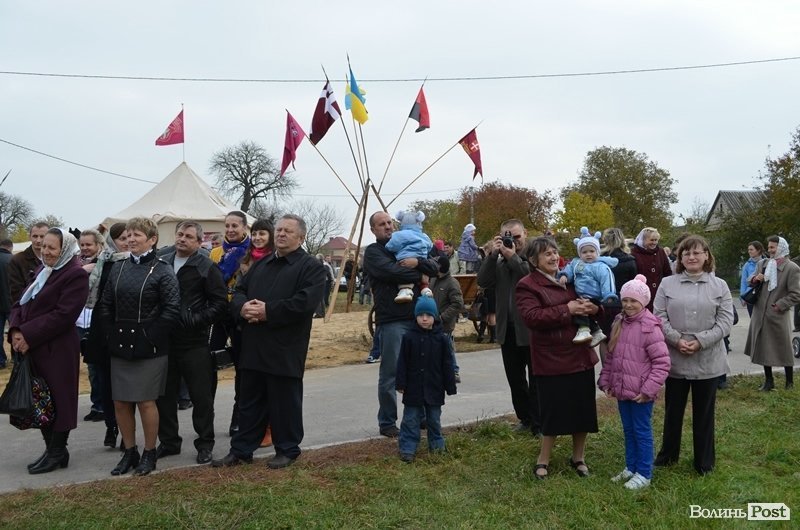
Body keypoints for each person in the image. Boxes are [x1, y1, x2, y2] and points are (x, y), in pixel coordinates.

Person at [212, 214, 325, 470]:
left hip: (285, 347)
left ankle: (287, 449)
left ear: (301, 237)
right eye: (279, 230)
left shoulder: (311, 267)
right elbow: (239, 291)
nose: (281, 234)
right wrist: (242, 308)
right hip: (253, 344)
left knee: (284, 402)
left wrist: (268, 311)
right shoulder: (262, 264)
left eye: (287, 231)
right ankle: (241, 450)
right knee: (249, 402)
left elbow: (305, 303)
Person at [98, 217, 181, 476]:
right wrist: (110, 334)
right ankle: (129, 451)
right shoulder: (118, 268)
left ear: (152, 239)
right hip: (120, 343)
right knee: (120, 402)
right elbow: (105, 304)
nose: (131, 239)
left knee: (146, 402)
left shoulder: (163, 270)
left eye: (137, 235)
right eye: (128, 235)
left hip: (149, 347)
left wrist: (149, 337)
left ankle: (149, 452)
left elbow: (171, 309)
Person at [516, 236, 600, 479]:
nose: (554, 257)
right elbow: (532, 317)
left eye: (555, 252)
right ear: (534, 260)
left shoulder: (572, 277)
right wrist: (567, 310)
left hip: (580, 355)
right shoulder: (527, 285)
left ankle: (578, 457)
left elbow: (595, 299)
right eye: (547, 254)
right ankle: (543, 459)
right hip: (551, 359)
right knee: (552, 413)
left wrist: (595, 308)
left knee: (582, 411)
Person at [8, 228, 88, 474]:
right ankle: (53, 450)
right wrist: (16, 330)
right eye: (44, 246)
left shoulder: (75, 275)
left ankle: (57, 451)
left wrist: (28, 334)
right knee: (41, 399)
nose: (46, 251)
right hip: (35, 347)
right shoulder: (43, 271)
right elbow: (21, 303)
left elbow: (63, 315)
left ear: (65, 249)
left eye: (52, 248)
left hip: (57, 350)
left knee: (59, 400)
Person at [653, 235, 733, 475]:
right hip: (675, 358)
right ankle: (668, 456)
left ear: (706, 255)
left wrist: (700, 341)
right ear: (680, 258)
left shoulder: (720, 286)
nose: (691, 257)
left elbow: (725, 321)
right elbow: (658, 317)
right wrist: (676, 340)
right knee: (673, 411)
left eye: (697, 252)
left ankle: (704, 462)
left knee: (704, 414)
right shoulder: (667, 284)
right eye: (686, 253)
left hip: (708, 359)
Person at [156, 221, 227, 465]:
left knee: (201, 396)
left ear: (198, 242)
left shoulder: (206, 267)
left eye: (188, 236)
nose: (182, 239)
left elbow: (219, 303)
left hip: (194, 341)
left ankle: (205, 443)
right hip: (165, 340)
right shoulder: (162, 261)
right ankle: (169, 442)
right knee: (164, 396)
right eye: (180, 234)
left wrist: (197, 320)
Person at [362, 211, 439, 437]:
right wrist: (419, 273)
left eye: (389, 222)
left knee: (419, 370)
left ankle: (420, 417)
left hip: (416, 317)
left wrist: (418, 262)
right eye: (381, 224)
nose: (387, 226)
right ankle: (387, 421)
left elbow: (434, 267)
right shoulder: (374, 252)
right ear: (373, 230)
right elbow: (391, 272)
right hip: (392, 320)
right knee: (390, 374)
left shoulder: (410, 242)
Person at [598, 274, 670, 490]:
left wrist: (648, 390)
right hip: (622, 389)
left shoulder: (650, 327)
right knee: (628, 430)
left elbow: (662, 363)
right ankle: (631, 467)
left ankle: (644, 473)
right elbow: (611, 356)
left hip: (641, 393)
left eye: (634, 301)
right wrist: (606, 380)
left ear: (644, 302)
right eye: (625, 300)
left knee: (641, 431)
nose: (629, 305)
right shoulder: (619, 323)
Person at [477, 219, 540, 435]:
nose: (513, 241)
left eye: (517, 236)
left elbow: (530, 277)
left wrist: (512, 256)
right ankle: (525, 418)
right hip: (507, 328)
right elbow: (483, 281)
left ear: (525, 234)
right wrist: (492, 256)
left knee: (536, 378)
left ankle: (539, 423)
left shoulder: (534, 256)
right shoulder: (500, 262)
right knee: (515, 379)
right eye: (507, 237)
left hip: (530, 328)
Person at [83, 222, 130, 449]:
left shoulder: (136, 263)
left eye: (130, 237)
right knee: (106, 384)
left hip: (127, 329)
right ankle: (111, 426)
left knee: (126, 386)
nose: (127, 242)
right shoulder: (102, 262)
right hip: (102, 329)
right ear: (112, 240)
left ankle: (127, 433)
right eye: (122, 238)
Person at [396, 295, 457, 462]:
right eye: (421, 315)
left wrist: (450, 385)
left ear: (434, 317)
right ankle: (407, 447)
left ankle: (436, 445)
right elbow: (402, 362)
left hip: (434, 387)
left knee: (434, 419)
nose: (424, 319)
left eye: (428, 315)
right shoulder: (408, 337)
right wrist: (401, 383)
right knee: (410, 419)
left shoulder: (442, 339)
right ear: (415, 316)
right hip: (413, 388)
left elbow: (447, 363)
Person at [209, 210, 250, 436]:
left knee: (242, 367)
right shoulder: (215, 253)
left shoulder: (251, 252)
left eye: (235, 226)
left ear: (244, 227)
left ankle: (238, 418)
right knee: (209, 363)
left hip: (240, 314)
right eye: (227, 226)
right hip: (218, 314)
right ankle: (207, 417)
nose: (231, 230)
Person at [743, 235, 800, 391]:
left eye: (772, 247)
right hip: (760, 312)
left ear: (781, 248)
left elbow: (796, 294)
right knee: (763, 346)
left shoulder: (792, 268)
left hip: (778, 314)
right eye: (768, 247)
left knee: (784, 348)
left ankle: (789, 383)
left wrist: (779, 305)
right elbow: (749, 280)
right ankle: (769, 381)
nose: (769, 250)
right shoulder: (763, 263)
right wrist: (755, 278)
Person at [558, 227, 619, 345]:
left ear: (597, 252)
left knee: (581, 310)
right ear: (579, 253)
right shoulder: (576, 263)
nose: (588, 254)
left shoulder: (600, 266)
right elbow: (569, 269)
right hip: (581, 294)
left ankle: (583, 330)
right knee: (583, 310)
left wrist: (608, 294)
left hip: (594, 295)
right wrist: (564, 275)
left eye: (591, 251)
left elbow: (606, 280)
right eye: (584, 252)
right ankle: (597, 332)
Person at [77, 229, 106, 423]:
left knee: (97, 367)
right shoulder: (76, 264)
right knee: (90, 367)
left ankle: (101, 406)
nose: (85, 248)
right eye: (82, 244)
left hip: (96, 319)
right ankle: (97, 403)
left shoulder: (104, 264)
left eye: (89, 244)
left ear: (98, 245)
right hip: (78, 320)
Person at [598, 227, 637, 362]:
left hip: (604, 303)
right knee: (623, 339)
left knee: (605, 338)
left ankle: (606, 370)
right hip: (624, 303)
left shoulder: (600, 259)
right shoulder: (630, 260)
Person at [429, 255, 465, 383]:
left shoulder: (452, 283)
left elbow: (458, 304)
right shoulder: (433, 279)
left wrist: (442, 317)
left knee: (447, 348)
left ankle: (454, 371)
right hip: (432, 321)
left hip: (444, 323)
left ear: (440, 267)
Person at [385, 210, 433, 303]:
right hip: (422, 259)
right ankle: (425, 289)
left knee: (403, 273)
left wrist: (388, 247)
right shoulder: (423, 235)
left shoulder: (399, 235)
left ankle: (406, 290)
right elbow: (430, 246)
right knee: (423, 274)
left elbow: (392, 246)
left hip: (405, 260)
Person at [631, 227, 672, 311]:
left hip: (659, 293)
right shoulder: (634, 253)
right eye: (652, 240)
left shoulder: (660, 252)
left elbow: (667, 271)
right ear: (643, 239)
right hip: (641, 294)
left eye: (656, 240)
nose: (654, 243)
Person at [8, 221, 49, 304]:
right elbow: (16, 293)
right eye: (35, 236)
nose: (38, 240)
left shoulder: (54, 259)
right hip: (26, 308)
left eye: (42, 236)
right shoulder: (18, 260)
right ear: (29, 237)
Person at [740, 241, 765, 317]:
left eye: (751, 249)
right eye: (748, 250)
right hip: (751, 295)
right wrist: (742, 297)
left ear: (758, 250)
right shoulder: (747, 265)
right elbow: (744, 282)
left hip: (763, 295)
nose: (749, 251)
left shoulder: (766, 262)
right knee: (753, 319)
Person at [0, 238, 13, 369]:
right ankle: (17, 357)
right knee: (15, 332)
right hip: (12, 303)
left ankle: (0, 360)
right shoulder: (13, 260)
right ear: (10, 247)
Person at [315, 253, 335, 317]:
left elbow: (328, 275)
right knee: (321, 298)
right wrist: (331, 281)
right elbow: (329, 275)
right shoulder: (325, 265)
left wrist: (330, 281)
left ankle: (319, 313)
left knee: (318, 299)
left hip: (319, 283)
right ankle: (322, 313)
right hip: (323, 283)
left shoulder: (319, 265)